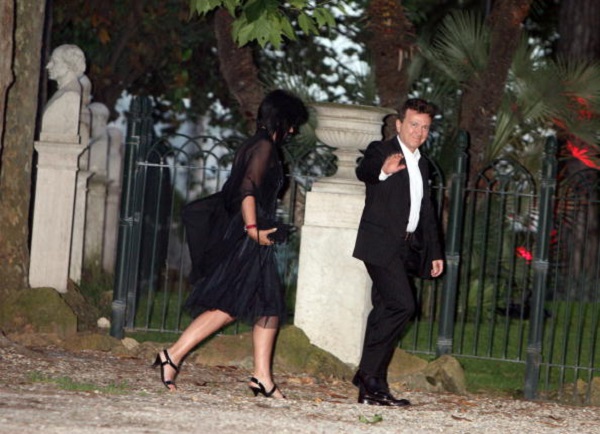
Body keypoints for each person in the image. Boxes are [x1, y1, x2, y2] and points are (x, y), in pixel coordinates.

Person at [153, 90, 309, 399]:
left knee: (263, 304)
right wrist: (253, 230)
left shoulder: (259, 145)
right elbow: (247, 190)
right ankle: (173, 355)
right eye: (291, 123)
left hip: (251, 233)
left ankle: (260, 376)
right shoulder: (263, 146)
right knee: (235, 305)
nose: (293, 130)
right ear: (281, 118)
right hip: (248, 235)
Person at [352, 98, 444, 407]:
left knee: (383, 311)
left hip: (407, 247)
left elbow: (427, 211)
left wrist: (435, 252)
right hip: (379, 244)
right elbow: (363, 171)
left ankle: (370, 387)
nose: (419, 132)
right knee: (402, 305)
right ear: (400, 124)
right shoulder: (382, 150)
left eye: (425, 127)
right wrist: (383, 170)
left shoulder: (424, 163)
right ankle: (369, 376)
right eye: (414, 124)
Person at [41, 44, 86, 139]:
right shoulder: (64, 92)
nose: (48, 66)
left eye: (54, 62)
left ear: (69, 66)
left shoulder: (71, 95)